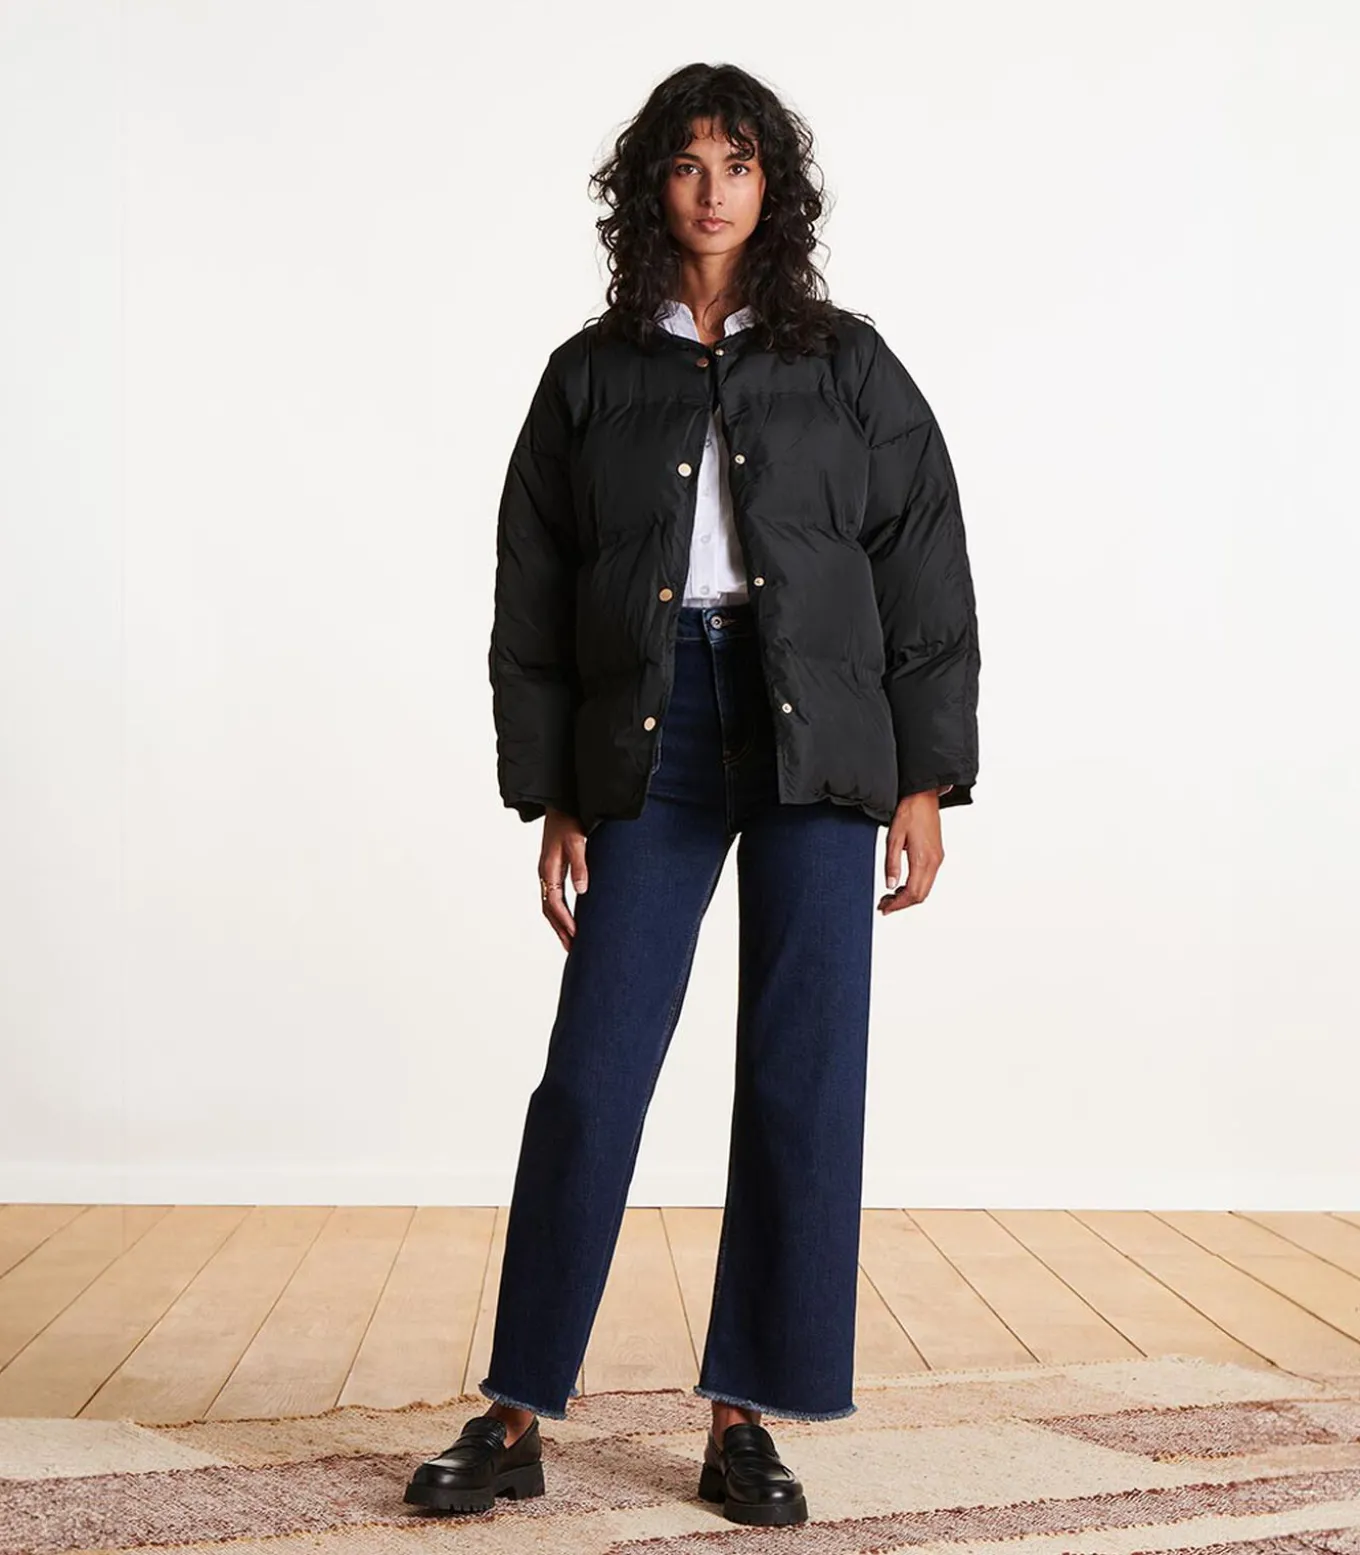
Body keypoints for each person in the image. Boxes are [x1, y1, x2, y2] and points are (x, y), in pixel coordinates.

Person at [405, 61, 980, 1525]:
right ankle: (517, 1408)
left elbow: (923, 566)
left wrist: (924, 777)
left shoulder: (848, 363)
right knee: (592, 1072)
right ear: (648, 189)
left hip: (819, 735)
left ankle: (744, 1417)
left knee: (802, 1073)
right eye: (686, 162)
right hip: (649, 729)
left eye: (739, 161)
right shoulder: (590, 376)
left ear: (773, 186)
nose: (713, 188)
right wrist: (555, 792)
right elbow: (532, 596)